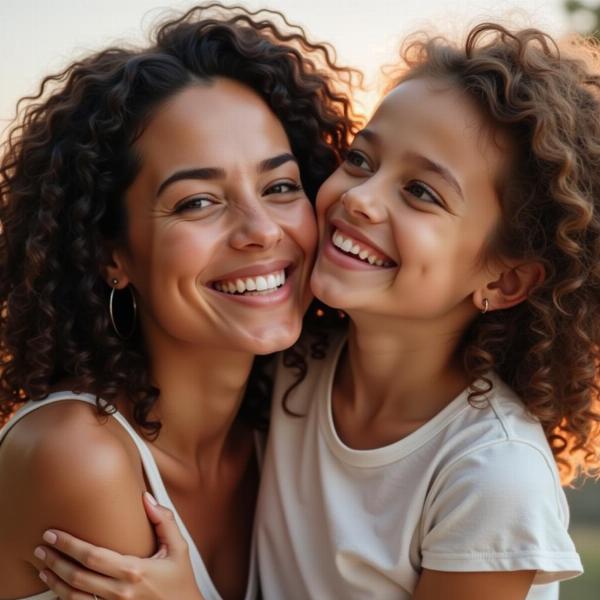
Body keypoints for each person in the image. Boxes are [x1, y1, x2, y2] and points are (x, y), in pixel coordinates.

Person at [32, 21, 600, 600]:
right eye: (360, 160)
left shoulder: (493, 474)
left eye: (421, 192)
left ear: (504, 280)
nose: (359, 198)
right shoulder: (294, 373)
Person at [0, 4, 357, 600]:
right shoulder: (80, 456)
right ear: (112, 253)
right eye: (197, 202)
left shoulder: (291, 433)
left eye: (280, 187)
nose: (262, 230)